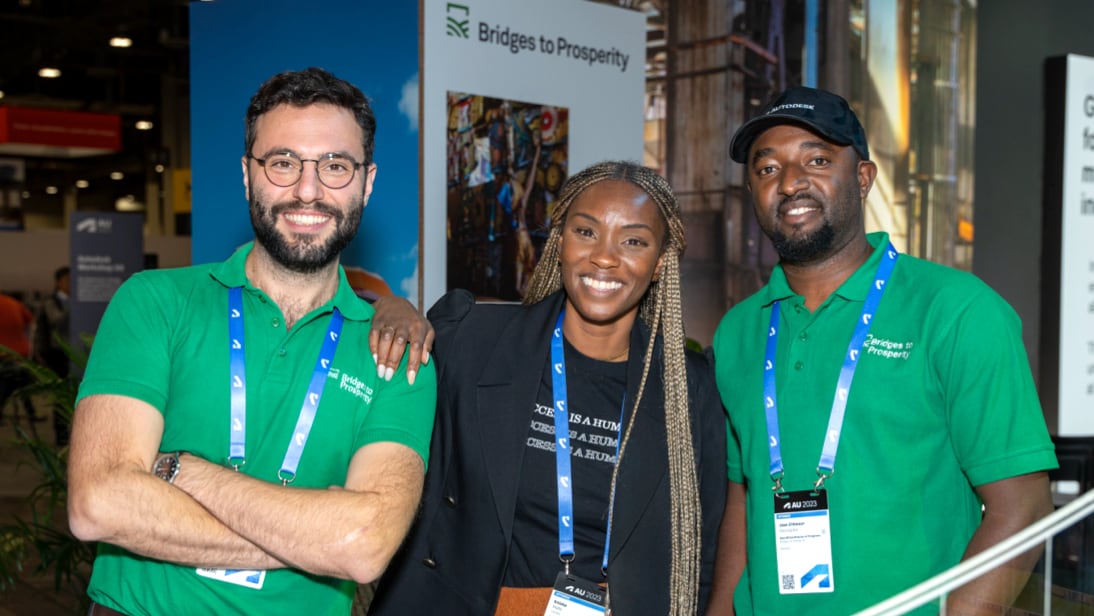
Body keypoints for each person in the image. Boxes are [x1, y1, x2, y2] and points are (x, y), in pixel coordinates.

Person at [65, 67, 437, 616]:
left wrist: (179, 471)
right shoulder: (155, 302)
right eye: (283, 163)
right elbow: (98, 504)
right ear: (247, 174)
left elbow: (365, 546)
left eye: (335, 166)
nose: (307, 190)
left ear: (367, 181)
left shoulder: (398, 355)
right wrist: (316, 539)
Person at [708, 86, 1057, 615]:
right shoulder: (739, 330)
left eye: (818, 159)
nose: (790, 182)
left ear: (864, 178)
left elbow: (1023, 509)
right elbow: (746, 495)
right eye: (767, 168)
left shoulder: (958, 311)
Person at [368, 161, 728, 616]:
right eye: (586, 232)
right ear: (559, 243)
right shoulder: (471, 340)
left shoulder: (690, 392)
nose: (605, 256)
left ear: (659, 264)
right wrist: (386, 307)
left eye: (633, 240)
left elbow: (705, 552)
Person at [0, 290, 35, 423]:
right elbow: (32, 322)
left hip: (3, 354)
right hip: (19, 352)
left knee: (5, 386)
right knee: (22, 383)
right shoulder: (15, 304)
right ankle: (31, 413)